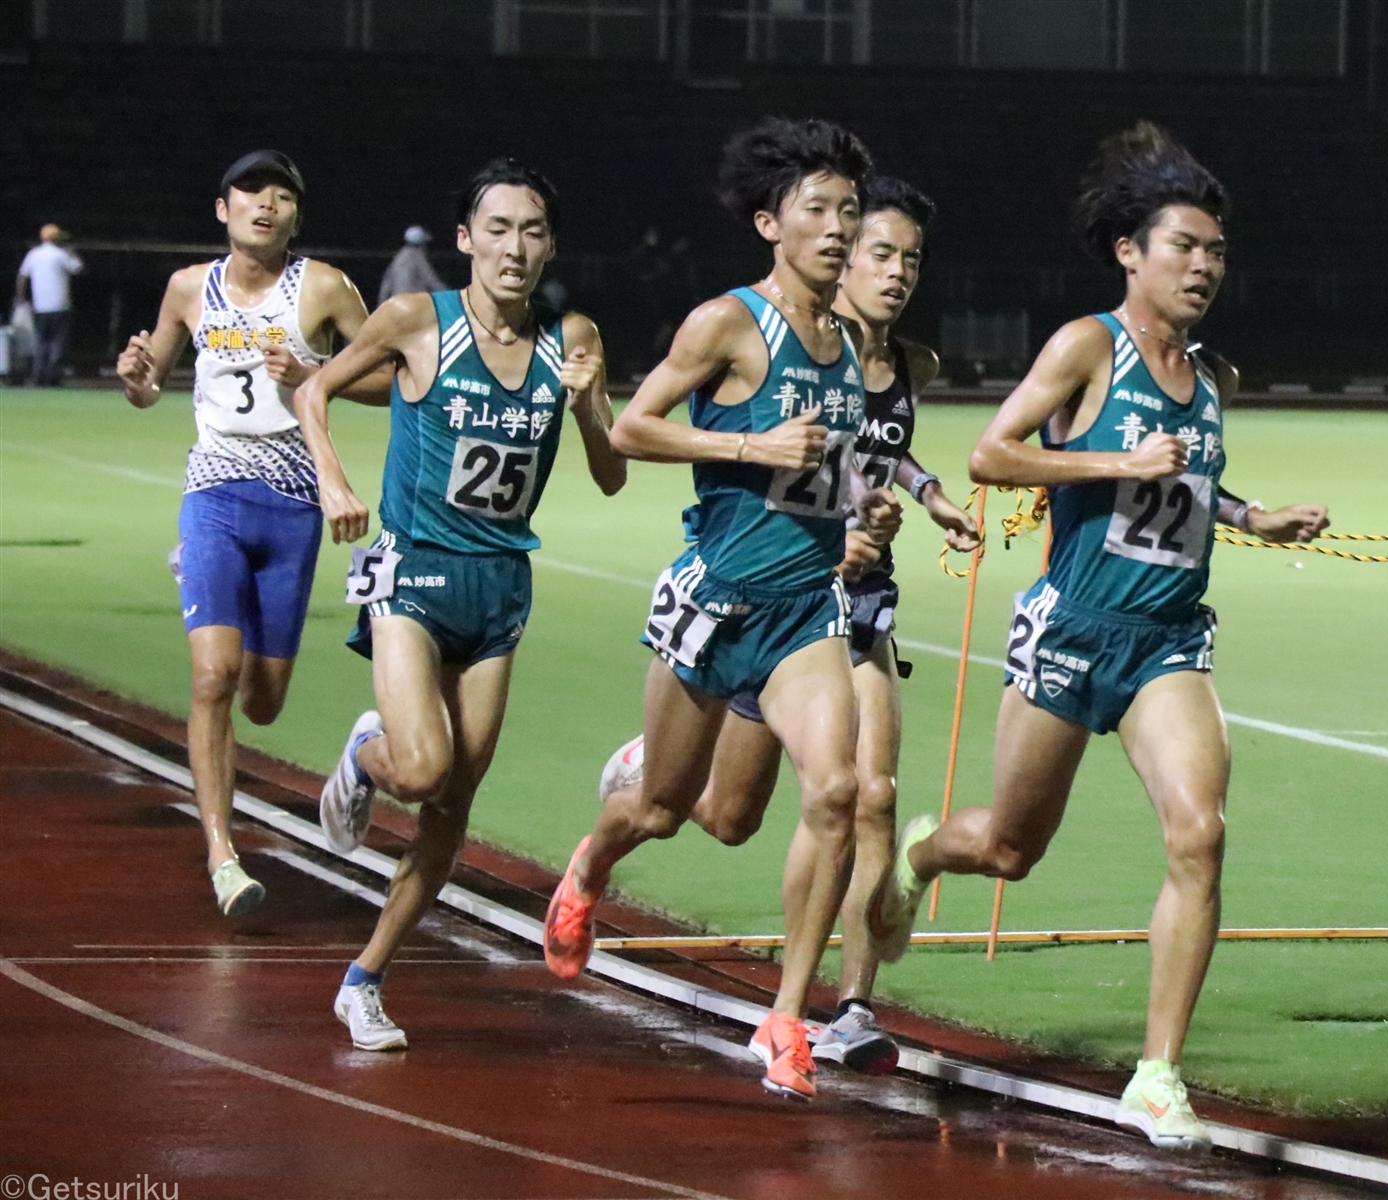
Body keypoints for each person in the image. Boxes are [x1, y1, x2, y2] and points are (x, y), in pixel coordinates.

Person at [870, 123, 1330, 1150]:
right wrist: (1112, 465)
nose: (1205, 266)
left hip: (1168, 641)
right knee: (1009, 846)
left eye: (1216, 251)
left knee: (1200, 832)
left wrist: (1254, 518)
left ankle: (1158, 1073)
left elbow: (1193, 484)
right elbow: (993, 456)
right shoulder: (1088, 348)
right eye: (1184, 247)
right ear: (1131, 252)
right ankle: (923, 853)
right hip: (1073, 629)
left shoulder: (1217, 381)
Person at [539, 118, 902, 1103]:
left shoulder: (852, 339)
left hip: (802, 617)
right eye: (817, 211)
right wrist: (752, 449)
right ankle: (591, 861)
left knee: (835, 795)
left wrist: (857, 501)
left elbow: (822, 460)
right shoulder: (727, 323)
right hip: (714, 605)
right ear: (767, 221)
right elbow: (633, 426)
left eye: (849, 211)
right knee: (676, 811)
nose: (838, 229)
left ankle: (784, 1018)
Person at [593, 175, 979, 1076]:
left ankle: (842, 1009)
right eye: (874, 250)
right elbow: (779, 452)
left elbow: (877, 455)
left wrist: (916, 503)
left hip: (853, 599)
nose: (888, 269)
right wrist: (810, 488)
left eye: (904, 257)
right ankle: (655, 765)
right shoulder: (782, 340)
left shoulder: (903, 366)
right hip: (765, 590)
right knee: (725, 817)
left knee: (866, 793)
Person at [293, 159, 627, 1052]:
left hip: (500, 587)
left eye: (532, 231)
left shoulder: (573, 334)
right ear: (465, 238)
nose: (514, 247)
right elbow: (312, 387)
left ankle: (365, 979)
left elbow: (609, 473)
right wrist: (332, 481)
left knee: (452, 806)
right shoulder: (416, 321)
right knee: (422, 769)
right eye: (498, 228)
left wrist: (592, 404)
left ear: (550, 243)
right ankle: (368, 755)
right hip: (411, 568)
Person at [114, 150, 385, 918]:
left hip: (294, 507)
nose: (265, 205)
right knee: (212, 679)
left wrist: (314, 373)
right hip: (215, 492)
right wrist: (136, 374)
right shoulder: (185, 289)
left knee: (263, 702)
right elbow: (147, 384)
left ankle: (357, 751)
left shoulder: (325, 287)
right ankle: (222, 854)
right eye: (250, 193)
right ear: (222, 208)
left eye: (282, 195)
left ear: (297, 214)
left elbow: (395, 380)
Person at [16, 223, 83, 386]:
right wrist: (71, 250)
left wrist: (20, 298)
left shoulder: (34, 254)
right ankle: (53, 378)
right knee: (57, 343)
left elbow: (22, 277)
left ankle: (38, 377)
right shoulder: (61, 254)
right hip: (61, 305)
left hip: (40, 306)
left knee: (41, 343)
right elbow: (78, 268)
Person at [378, 225, 447, 304]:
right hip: (413, 303)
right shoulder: (417, 256)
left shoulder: (399, 256)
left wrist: (381, 304)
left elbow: (386, 283)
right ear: (421, 243)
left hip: (396, 302)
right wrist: (448, 294)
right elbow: (431, 280)